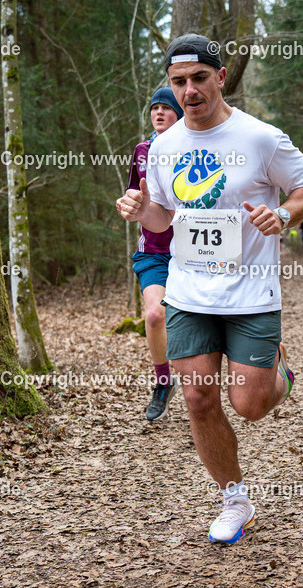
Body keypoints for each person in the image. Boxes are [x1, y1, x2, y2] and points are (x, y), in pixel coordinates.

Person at [115, 34, 303, 545]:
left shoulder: (260, 138)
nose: (190, 90)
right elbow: (165, 216)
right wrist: (144, 212)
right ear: (170, 86)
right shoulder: (163, 148)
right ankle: (234, 499)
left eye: (199, 78)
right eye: (178, 82)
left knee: (250, 405)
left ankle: (280, 374)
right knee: (199, 399)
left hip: (251, 293)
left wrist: (283, 215)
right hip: (189, 293)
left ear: (220, 78)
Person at [127, 87, 185, 421]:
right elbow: (135, 194)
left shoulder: (196, 150)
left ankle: (203, 387)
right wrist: (129, 204)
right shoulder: (142, 150)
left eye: (166, 107)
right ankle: (163, 382)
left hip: (193, 253)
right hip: (154, 252)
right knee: (154, 315)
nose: (159, 113)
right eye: (154, 108)